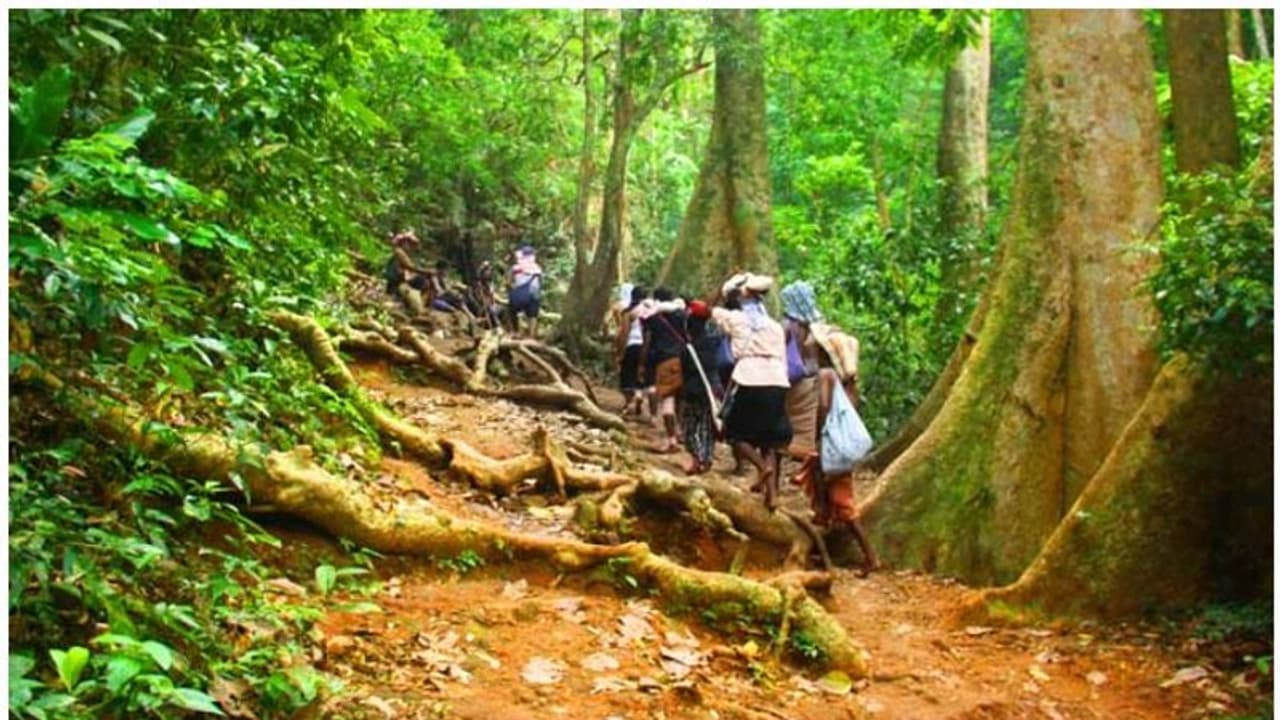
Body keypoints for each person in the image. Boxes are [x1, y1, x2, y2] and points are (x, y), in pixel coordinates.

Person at [790, 326, 878, 577]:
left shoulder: (826, 374)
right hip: (842, 449)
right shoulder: (847, 383)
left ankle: (871, 557)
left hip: (832, 447)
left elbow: (825, 406)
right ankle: (823, 547)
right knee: (827, 493)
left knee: (843, 502)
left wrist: (817, 438)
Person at [711, 272, 792, 510]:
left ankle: (760, 466)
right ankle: (772, 497)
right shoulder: (775, 327)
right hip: (777, 381)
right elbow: (783, 359)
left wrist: (724, 289)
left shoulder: (735, 319)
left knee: (736, 434)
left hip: (749, 379)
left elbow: (708, 309)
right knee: (770, 442)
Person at [780, 281, 824, 461]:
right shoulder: (817, 327)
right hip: (811, 382)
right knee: (808, 433)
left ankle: (771, 485)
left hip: (789, 382)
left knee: (780, 439)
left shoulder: (787, 326)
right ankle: (810, 481)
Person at [679, 300, 723, 474]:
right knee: (707, 426)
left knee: (690, 427)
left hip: (693, 390)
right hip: (712, 388)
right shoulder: (715, 342)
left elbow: (685, 371)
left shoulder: (687, 348)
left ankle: (697, 459)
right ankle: (707, 458)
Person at [641, 287, 687, 453]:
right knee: (680, 398)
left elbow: (647, 335)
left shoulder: (654, 317)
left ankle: (672, 439)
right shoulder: (681, 315)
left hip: (664, 361)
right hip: (683, 360)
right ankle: (682, 432)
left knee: (668, 400)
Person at [614, 284, 648, 416]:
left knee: (627, 374)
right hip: (646, 347)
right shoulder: (650, 312)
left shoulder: (629, 312)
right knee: (640, 374)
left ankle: (628, 403)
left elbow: (624, 333)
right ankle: (639, 394)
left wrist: (620, 352)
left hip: (632, 345)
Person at [384, 231, 431, 315]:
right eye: (410, 244)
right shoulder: (399, 252)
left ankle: (420, 305)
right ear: (404, 242)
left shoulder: (403, 253)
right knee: (423, 282)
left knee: (424, 283)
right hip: (396, 281)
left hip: (400, 280)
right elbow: (410, 267)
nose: (411, 247)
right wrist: (426, 271)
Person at [508, 245, 543, 337]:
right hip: (535, 294)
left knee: (515, 311)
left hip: (521, 294)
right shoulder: (537, 268)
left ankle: (518, 333)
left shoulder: (516, 268)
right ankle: (531, 336)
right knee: (532, 315)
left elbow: (509, 282)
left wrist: (513, 289)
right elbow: (540, 282)